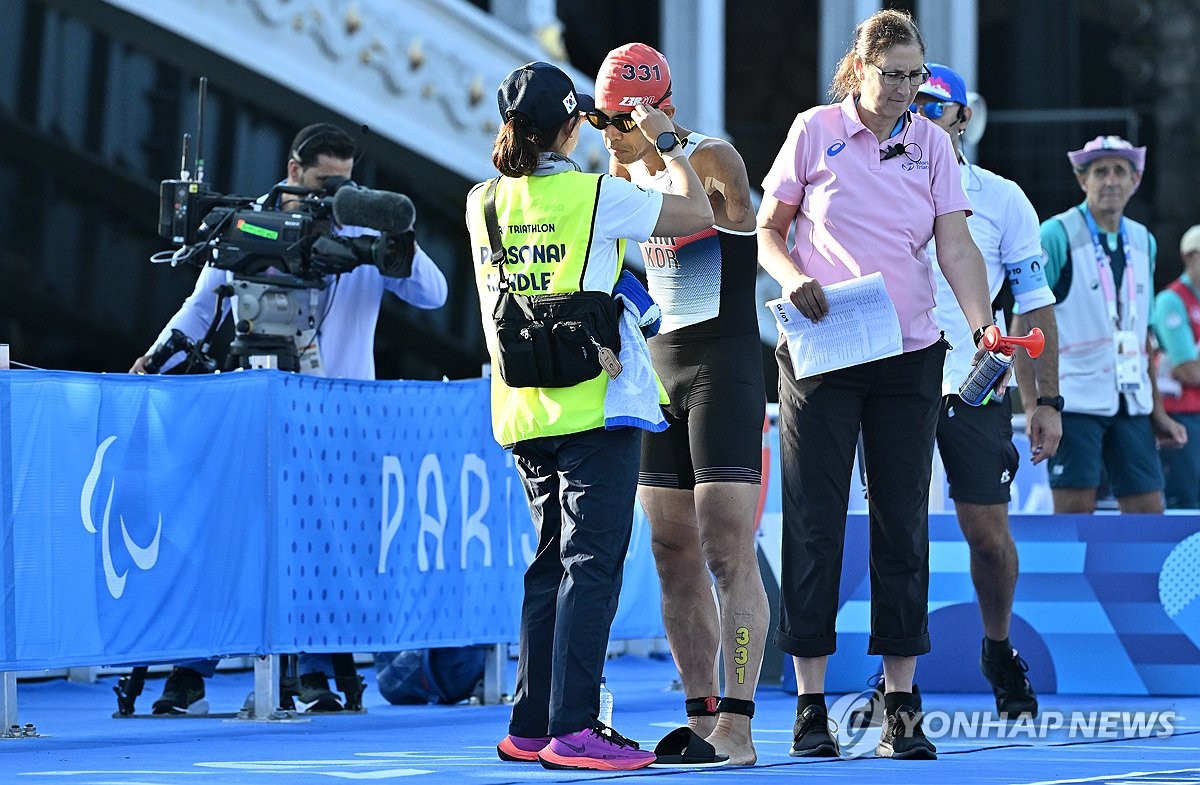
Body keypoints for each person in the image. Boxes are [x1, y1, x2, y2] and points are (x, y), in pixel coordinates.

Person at [131, 122, 448, 714]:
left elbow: (434, 294)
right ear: (295, 169)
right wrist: (154, 360)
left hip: (342, 423)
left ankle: (318, 672)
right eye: (326, 182)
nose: (334, 194)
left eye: (347, 184)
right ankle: (190, 673)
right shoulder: (249, 221)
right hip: (256, 415)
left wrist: (381, 224)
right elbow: (201, 309)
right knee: (230, 540)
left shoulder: (361, 227)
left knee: (327, 550)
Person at [755, 9, 995, 761]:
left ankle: (900, 701)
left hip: (908, 350)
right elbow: (769, 228)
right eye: (890, 74)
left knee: (902, 523)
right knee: (815, 522)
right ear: (857, 69)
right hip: (823, 346)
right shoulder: (813, 129)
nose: (902, 90)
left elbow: (954, 242)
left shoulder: (931, 144)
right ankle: (810, 702)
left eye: (915, 76)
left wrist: (983, 322)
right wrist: (793, 277)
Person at [467, 61, 714, 771]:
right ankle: (574, 727)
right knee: (591, 567)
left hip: (521, 407)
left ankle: (532, 721)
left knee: (549, 564)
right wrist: (666, 144)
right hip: (596, 405)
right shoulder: (595, 194)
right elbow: (695, 214)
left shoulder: (481, 200)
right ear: (573, 127)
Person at [590, 43, 768, 766]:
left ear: (657, 107)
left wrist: (666, 145)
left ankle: (741, 720)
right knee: (670, 550)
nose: (610, 131)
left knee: (727, 546)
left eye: (620, 117)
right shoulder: (615, 167)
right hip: (659, 372)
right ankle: (699, 712)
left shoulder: (712, 156)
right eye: (603, 118)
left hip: (722, 367)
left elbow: (729, 210)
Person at [1031, 135, 1186, 514]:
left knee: (1149, 511)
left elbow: (1143, 335)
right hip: (1074, 398)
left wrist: (1157, 410)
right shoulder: (1057, 233)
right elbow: (1027, 320)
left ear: (1136, 181)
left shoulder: (1142, 240)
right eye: (1100, 172)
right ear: (1082, 180)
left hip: (1131, 401)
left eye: (1121, 171)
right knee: (1072, 513)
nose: (1111, 180)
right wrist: (1038, 404)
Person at [1151, 224, 1200, 509]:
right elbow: (1188, 370)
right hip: (1182, 419)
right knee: (1187, 501)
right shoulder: (1172, 300)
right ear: (1190, 257)